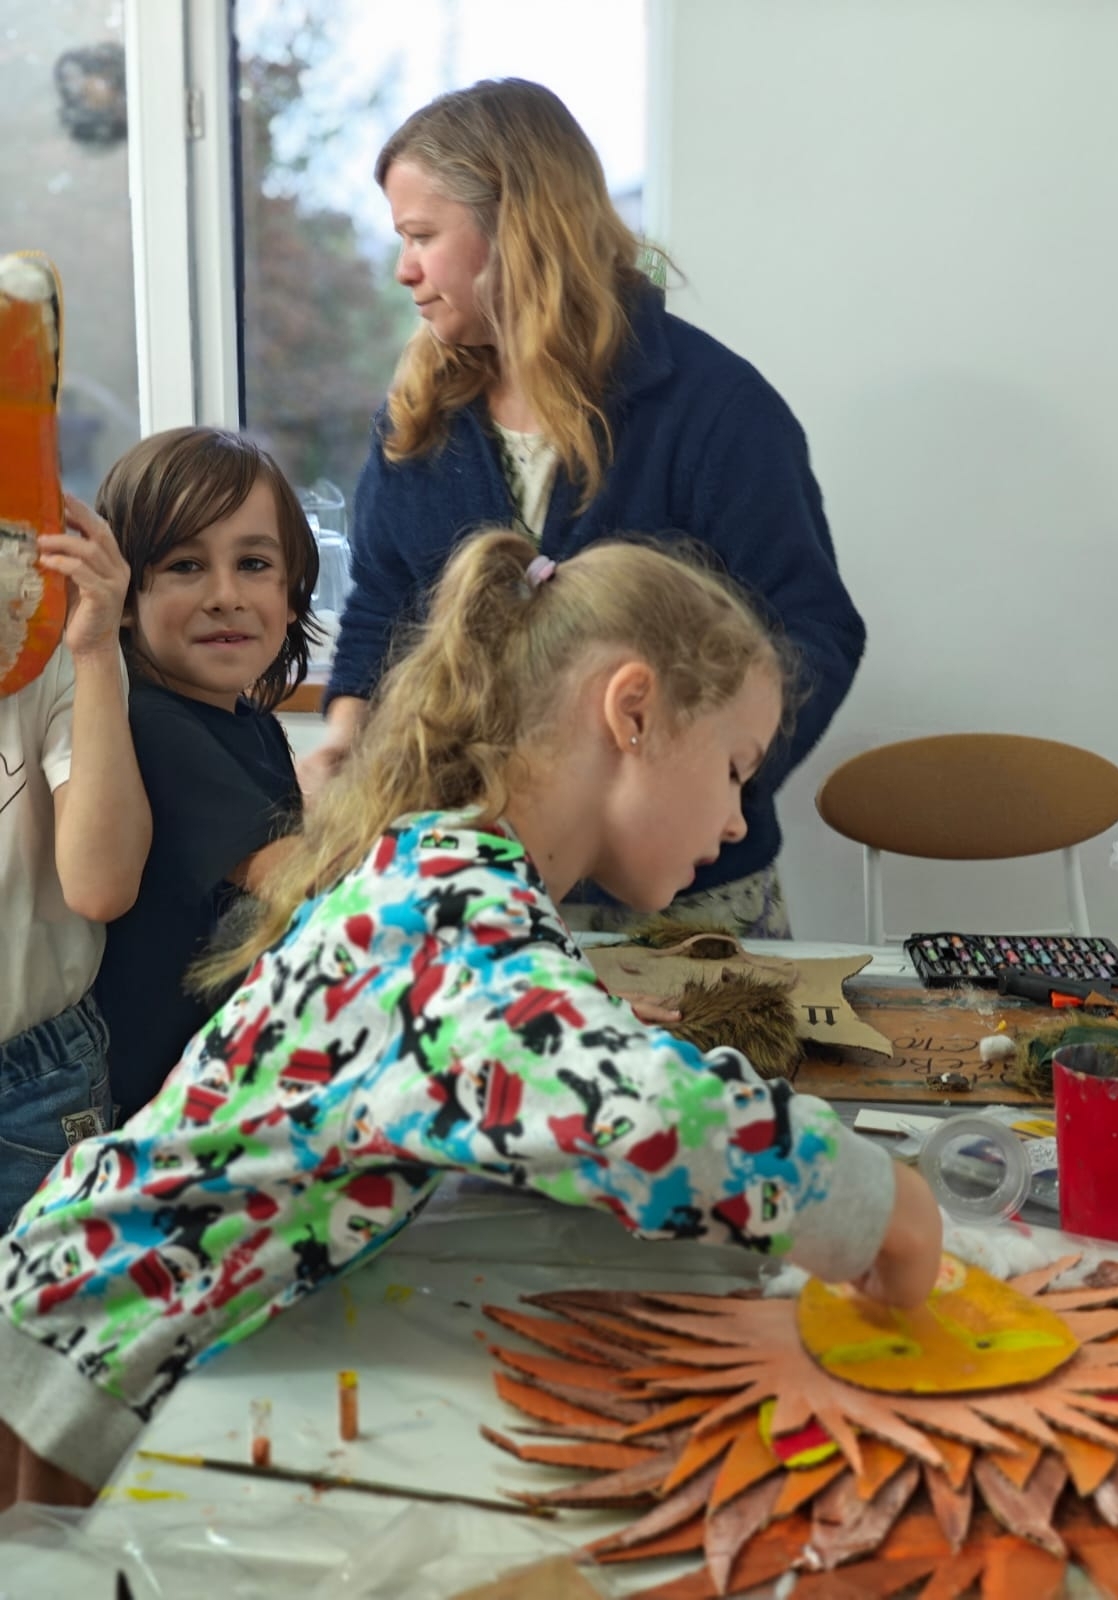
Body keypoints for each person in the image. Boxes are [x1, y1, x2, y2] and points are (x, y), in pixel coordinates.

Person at [0, 529, 940, 1510]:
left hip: (75, 1329)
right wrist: (880, 1205)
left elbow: (552, 1060)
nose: (741, 819)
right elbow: (648, 1119)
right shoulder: (456, 914)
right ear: (632, 712)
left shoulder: (443, 867)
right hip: (64, 1374)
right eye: (736, 768)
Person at [303, 77, 866, 940]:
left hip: (689, 905)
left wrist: (700, 792)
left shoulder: (718, 411)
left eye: (421, 236)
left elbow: (813, 632)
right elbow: (382, 605)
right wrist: (345, 742)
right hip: (478, 891)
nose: (403, 269)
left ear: (517, 228)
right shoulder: (417, 419)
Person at [92, 426, 320, 1121]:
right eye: (186, 565)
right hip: (157, 1115)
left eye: (253, 563)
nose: (225, 595)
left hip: (219, 1093)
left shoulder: (250, 722)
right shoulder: (151, 726)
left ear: (292, 592)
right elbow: (308, 881)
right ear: (124, 598)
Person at [0, 494, 151, 1232]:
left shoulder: (52, 642)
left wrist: (93, 652)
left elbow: (102, 886)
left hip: (28, 1086)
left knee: (49, 1304)